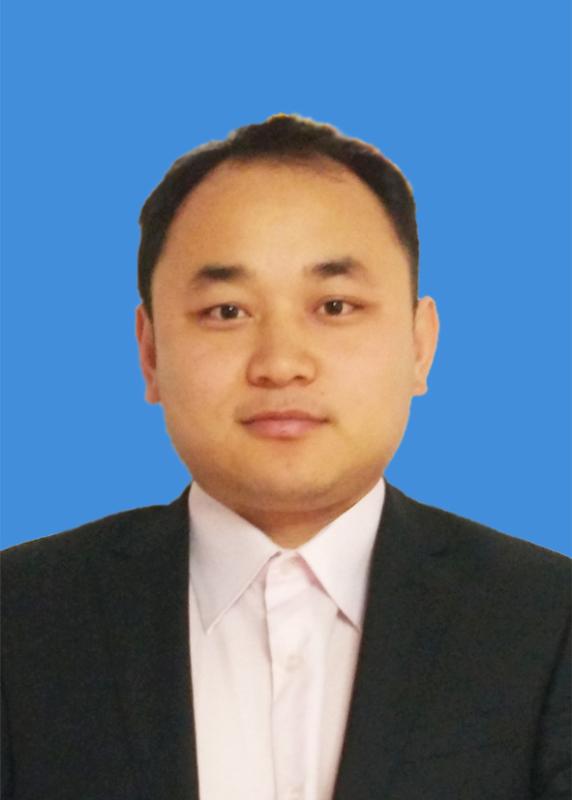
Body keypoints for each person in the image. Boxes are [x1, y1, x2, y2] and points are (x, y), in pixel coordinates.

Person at [1, 114, 570, 800]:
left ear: (420, 344)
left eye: (335, 305)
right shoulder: (21, 619)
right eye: (227, 312)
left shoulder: (548, 621)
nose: (280, 363)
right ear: (150, 352)